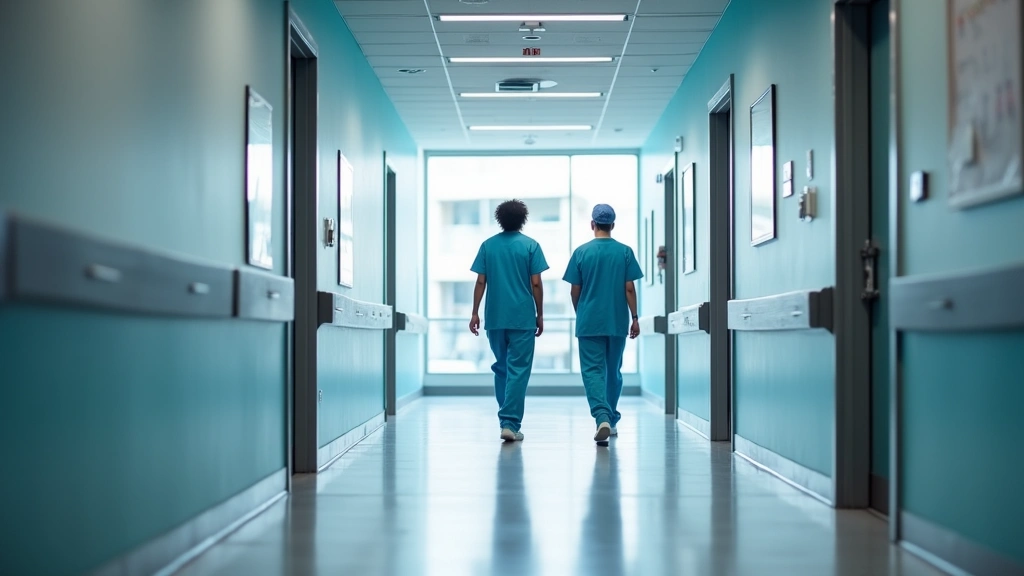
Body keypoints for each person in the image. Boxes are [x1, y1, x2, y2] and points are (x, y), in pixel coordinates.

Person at [470, 199, 549, 442]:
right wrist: (540, 313)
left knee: (502, 367)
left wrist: (475, 312)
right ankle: (510, 423)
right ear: (522, 220)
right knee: (518, 371)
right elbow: (536, 283)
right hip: (522, 319)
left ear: (500, 219)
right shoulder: (531, 246)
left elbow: (481, 282)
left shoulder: (488, 246)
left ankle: (506, 420)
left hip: (495, 318)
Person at [562, 204, 643, 443]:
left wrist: (582, 312)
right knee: (613, 371)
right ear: (613, 226)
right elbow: (629, 288)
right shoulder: (625, 252)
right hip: (617, 321)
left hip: (589, 322)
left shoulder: (581, 252)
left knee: (592, 371)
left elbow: (574, 291)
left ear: (592, 224)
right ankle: (612, 419)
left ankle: (601, 417)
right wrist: (635, 317)